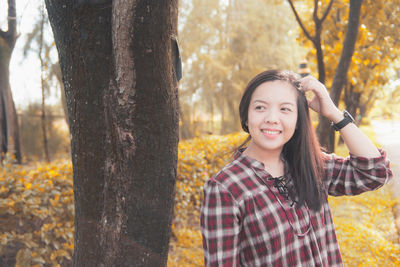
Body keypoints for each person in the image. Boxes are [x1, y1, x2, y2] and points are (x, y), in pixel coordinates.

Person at [200, 70, 392, 266]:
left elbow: (375, 173)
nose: (272, 118)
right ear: (246, 117)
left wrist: (334, 113)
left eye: (285, 109)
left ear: (299, 120)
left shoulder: (310, 164)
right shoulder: (225, 189)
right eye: (260, 107)